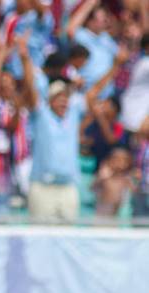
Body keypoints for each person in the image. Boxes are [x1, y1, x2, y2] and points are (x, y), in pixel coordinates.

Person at [20, 37, 128, 223]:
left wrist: (116, 65)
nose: (63, 100)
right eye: (58, 97)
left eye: (65, 97)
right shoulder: (42, 114)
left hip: (68, 187)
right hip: (43, 186)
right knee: (39, 239)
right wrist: (24, 59)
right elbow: (30, 88)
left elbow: (95, 91)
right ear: (50, 100)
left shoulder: (73, 114)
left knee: (67, 239)